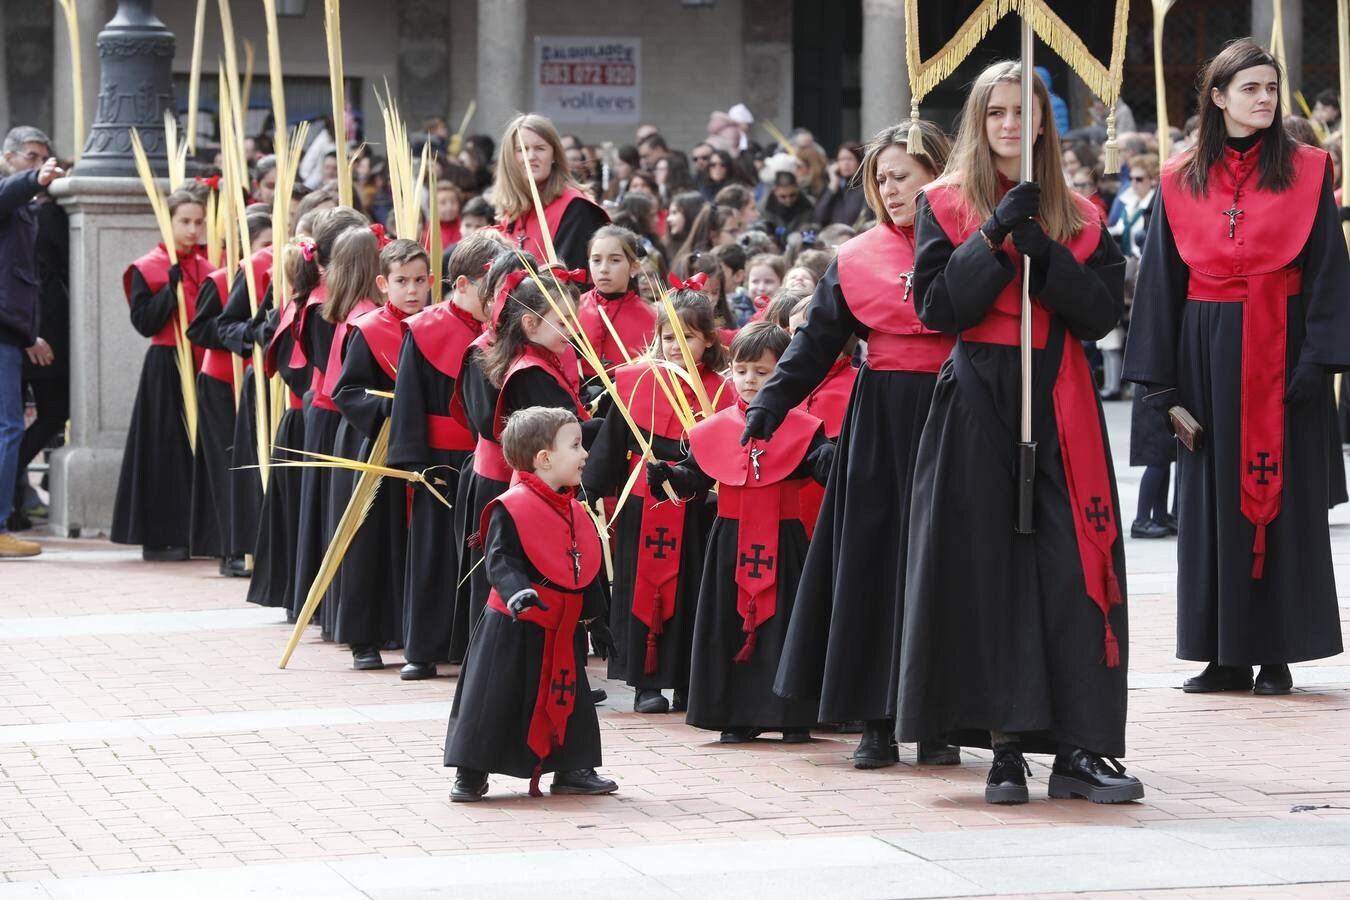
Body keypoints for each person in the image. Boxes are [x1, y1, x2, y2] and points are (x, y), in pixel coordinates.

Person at [899, 61, 1141, 806]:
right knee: (989, 573)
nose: (1011, 124)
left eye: (1024, 111)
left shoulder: (1083, 211)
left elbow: (1100, 315)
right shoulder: (941, 203)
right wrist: (998, 237)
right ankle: (1004, 746)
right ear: (980, 120)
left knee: (1073, 569)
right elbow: (939, 309)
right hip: (978, 396)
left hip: (1060, 389)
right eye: (997, 111)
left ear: (1044, 120)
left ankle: (1082, 746)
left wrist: (1047, 251)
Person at [1123, 38, 1350, 696]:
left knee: (1287, 504)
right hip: (1204, 352)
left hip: (1284, 350)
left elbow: (1329, 272)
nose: (1264, 99)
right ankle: (1221, 655)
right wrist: (1158, 380)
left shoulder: (1310, 168)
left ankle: (1276, 652)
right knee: (1209, 504)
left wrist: (1320, 357)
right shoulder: (1178, 175)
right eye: (1250, 89)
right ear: (1218, 97)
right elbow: (1163, 278)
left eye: (1271, 89)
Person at [746, 121, 959, 768]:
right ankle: (876, 718)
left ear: (938, 174)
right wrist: (771, 402)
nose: (892, 190)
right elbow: (817, 344)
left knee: (947, 567)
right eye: (882, 179)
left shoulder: (975, 241)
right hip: (881, 421)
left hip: (956, 412)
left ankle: (944, 717)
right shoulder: (858, 254)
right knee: (873, 565)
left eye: (904, 176)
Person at [650, 321, 833, 743]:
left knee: (786, 625)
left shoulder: (803, 425)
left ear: (784, 372)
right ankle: (733, 714)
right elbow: (695, 478)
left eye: (763, 372)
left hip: (785, 541)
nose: (751, 380)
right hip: (729, 543)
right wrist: (669, 475)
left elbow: (815, 463)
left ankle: (790, 714)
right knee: (726, 625)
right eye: (742, 369)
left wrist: (828, 457)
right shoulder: (713, 428)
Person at [444, 406, 617, 801]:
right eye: (575, 445)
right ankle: (471, 773)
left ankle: (572, 767)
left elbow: (581, 566)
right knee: (491, 699)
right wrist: (516, 591)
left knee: (569, 697)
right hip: (511, 625)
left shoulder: (574, 508)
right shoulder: (512, 505)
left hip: (562, 626)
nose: (585, 453)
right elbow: (499, 559)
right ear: (544, 459)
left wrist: (595, 618)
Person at [583, 289, 731, 714]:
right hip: (639, 502)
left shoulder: (720, 393)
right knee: (638, 590)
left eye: (687, 337)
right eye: (668, 338)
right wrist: (589, 490)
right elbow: (612, 442)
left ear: (707, 340)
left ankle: (686, 678)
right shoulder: (636, 382)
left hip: (695, 507)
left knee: (690, 593)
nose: (676, 347)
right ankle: (645, 683)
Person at [390, 232, 504, 679]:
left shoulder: (505, 331)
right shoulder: (425, 328)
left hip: (489, 461)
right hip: (438, 459)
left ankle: (476, 645)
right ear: (462, 284)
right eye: (489, 290)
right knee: (434, 552)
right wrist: (414, 464)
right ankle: (423, 648)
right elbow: (408, 401)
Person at [111, 187, 212, 562]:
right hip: (166, 363)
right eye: (185, 221)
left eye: (198, 222)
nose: (192, 229)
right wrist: (169, 288)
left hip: (203, 362)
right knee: (165, 450)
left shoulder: (209, 265)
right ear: (168, 221)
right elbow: (144, 322)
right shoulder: (148, 266)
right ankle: (163, 534)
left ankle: (200, 530)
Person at [325, 227, 403, 670]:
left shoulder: (424, 325)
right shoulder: (366, 328)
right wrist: (392, 412)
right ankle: (364, 637)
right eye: (401, 281)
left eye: (418, 281)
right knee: (366, 539)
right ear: (383, 281)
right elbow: (347, 390)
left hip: (410, 444)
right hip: (368, 441)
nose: (411, 290)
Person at [0, 127, 63, 556]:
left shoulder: (28, 209)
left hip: (12, 331)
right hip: (5, 333)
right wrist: (32, 181)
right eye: (30, 157)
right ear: (8, 155)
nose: (38, 164)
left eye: (44, 157)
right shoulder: (14, 196)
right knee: (6, 429)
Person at [495, 114, 609, 270]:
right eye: (522, 150)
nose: (531, 157)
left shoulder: (576, 207)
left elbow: (570, 284)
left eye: (540, 148)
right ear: (510, 157)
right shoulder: (512, 210)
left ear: (554, 155)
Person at [577, 225, 657, 380]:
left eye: (614, 260)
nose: (604, 269)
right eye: (596, 260)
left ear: (634, 267)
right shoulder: (571, 309)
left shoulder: (652, 319)